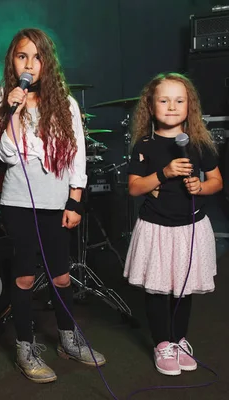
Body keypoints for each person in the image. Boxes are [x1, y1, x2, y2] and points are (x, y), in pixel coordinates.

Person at [0, 28, 106, 384]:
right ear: (13, 60)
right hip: (19, 202)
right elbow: (7, 154)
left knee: (61, 274)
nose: (30, 63)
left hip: (57, 203)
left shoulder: (65, 102)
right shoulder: (5, 101)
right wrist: (13, 112)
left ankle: (69, 339)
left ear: (47, 62)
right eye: (23, 56)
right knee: (24, 276)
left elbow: (78, 158)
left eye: (37, 57)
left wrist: (75, 200)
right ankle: (26, 346)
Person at [124, 72, 222, 376]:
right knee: (157, 289)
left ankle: (179, 340)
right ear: (151, 106)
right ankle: (162, 343)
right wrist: (164, 173)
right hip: (157, 227)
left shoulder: (199, 143)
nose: (171, 106)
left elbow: (217, 181)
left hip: (190, 227)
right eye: (164, 100)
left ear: (189, 105)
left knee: (183, 288)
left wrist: (201, 188)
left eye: (179, 100)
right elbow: (134, 188)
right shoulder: (146, 144)